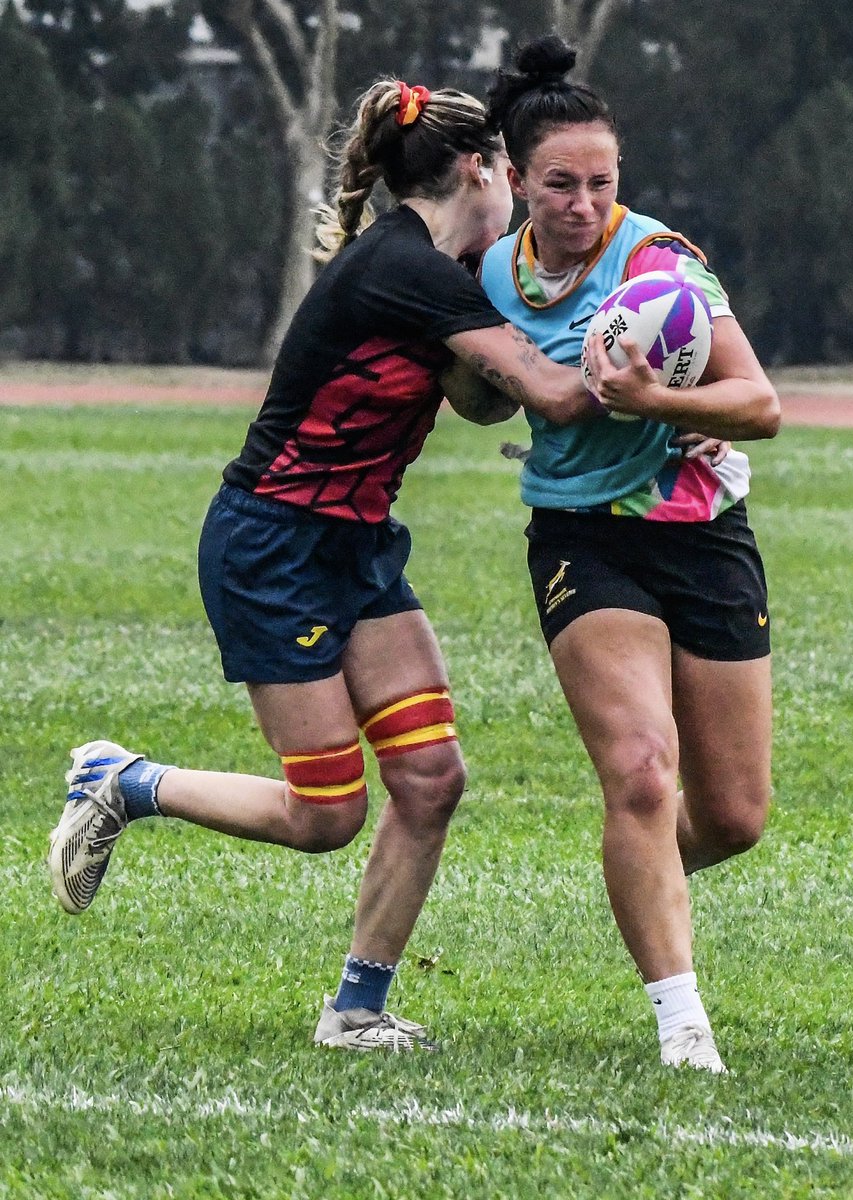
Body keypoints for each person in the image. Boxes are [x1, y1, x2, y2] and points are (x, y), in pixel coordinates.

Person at [48, 78, 600, 1051]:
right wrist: (674, 385)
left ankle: (355, 1011)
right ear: (481, 169)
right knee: (326, 813)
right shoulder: (407, 270)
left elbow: (486, 401)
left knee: (430, 779)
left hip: (354, 543)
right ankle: (124, 780)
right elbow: (548, 398)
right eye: (518, 171)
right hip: (273, 546)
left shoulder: (437, 267)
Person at [480, 36, 781, 1073]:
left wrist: (660, 402)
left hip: (703, 534)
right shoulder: (490, 272)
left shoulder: (660, 259)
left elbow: (760, 404)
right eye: (559, 184)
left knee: (735, 816)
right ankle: (682, 1026)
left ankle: (634, 867)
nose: (582, 203)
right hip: (580, 535)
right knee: (645, 776)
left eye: (601, 182)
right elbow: (473, 387)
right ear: (516, 180)